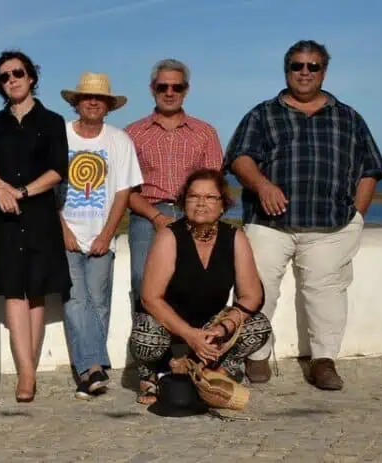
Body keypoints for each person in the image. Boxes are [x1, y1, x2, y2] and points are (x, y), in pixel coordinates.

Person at [224, 40, 382, 390]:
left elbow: (370, 170)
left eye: (312, 66)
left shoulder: (349, 118)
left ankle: (324, 361)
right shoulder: (262, 114)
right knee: (258, 288)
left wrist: (357, 216)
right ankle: (256, 356)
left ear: (323, 71)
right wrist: (263, 186)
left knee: (325, 293)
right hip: (269, 225)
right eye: (297, 65)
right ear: (287, 69)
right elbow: (239, 158)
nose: (304, 72)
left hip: (330, 226)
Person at [0, 50, 71, 403]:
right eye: (4, 76)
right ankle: (26, 374)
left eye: (17, 73)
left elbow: (59, 168)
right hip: (5, 216)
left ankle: (27, 370)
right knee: (14, 290)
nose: (11, 80)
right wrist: (0, 187)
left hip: (40, 214)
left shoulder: (53, 121)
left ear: (31, 76)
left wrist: (23, 191)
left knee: (37, 291)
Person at [129, 169, 272, 405]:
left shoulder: (235, 237)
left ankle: (215, 370)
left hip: (210, 323)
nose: (201, 204)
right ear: (184, 202)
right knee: (146, 338)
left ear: (222, 204)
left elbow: (252, 295)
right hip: (169, 322)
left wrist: (225, 327)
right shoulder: (169, 236)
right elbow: (150, 298)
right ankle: (151, 374)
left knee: (258, 326)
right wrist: (189, 335)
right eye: (194, 197)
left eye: (210, 197)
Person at [58, 72, 143, 399]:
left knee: (99, 303)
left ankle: (91, 369)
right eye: (87, 97)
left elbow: (123, 193)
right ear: (76, 102)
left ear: (108, 105)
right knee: (75, 300)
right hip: (66, 235)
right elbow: (50, 187)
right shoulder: (59, 136)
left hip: (101, 236)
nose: (93, 102)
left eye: (99, 98)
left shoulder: (119, 141)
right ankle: (92, 368)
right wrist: (63, 229)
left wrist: (107, 235)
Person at [124, 59, 223, 317]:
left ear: (186, 90)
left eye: (176, 87)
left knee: (198, 280)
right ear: (152, 88)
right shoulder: (133, 134)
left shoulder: (205, 133)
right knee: (141, 279)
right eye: (163, 87)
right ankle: (151, 350)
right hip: (148, 213)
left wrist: (197, 217)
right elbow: (126, 190)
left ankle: (196, 348)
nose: (169, 93)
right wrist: (156, 217)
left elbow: (214, 184)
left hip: (194, 212)